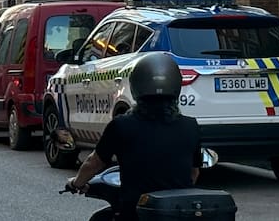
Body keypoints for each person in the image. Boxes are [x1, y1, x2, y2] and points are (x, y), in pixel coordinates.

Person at [67, 53, 202, 220]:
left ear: (136, 85)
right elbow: (193, 173)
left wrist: (76, 183)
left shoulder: (121, 125)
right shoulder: (191, 126)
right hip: (180, 212)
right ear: (176, 86)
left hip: (135, 212)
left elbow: (93, 163)